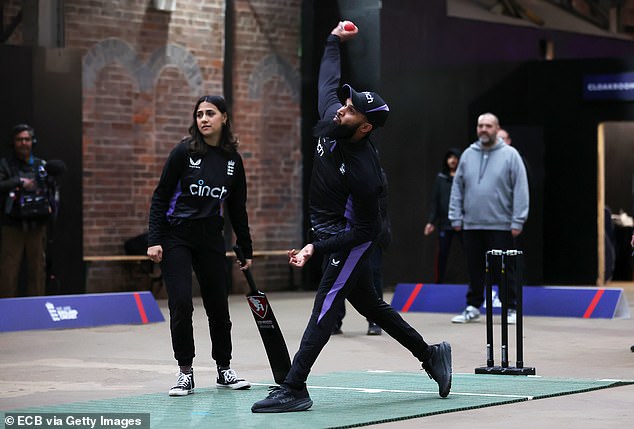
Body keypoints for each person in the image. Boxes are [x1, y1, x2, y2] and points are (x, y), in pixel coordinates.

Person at [250, 22, 452, 413]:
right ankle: (431, 355)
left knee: (325, 306)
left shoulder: (364, 172)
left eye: (352, 108)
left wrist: (315, 246)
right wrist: (332, 41)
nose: (343, 108)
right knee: (371, 306)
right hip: (329, 231)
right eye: (346, 103)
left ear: (366, 126)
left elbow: (367, 230)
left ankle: (295, 387)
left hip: (351, 237)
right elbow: (329, 79)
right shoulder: (332, 118)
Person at [147, 95, 253, 396]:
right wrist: (154, 239)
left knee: (218, 306)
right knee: (181, 304)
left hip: (210, 237)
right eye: (199, 114)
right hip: (176, 235)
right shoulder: (183, 151)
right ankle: (185, 372)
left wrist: (245, 248)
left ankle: (224, 369)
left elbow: (237, 208)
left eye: (210, 113)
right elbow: (160, 196)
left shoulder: (232, 160)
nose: (203, 119)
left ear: (224, 118)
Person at [448, 113, 529, 324]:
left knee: (505, 269)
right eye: (480, 125)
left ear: (496, 128)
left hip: (501, 225)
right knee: (474, 268)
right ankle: (473, 306)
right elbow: (458, 187)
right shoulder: (467, 154)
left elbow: (521, 189)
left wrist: (517, 220)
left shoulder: (511, 155)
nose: (483, 129)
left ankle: (511, 307)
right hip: (472, 224)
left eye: (488, 126)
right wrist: (455, 216)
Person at [0, 124, 62, 297]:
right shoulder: (5, 165)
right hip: (12, 225)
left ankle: (36, 311)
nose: (23, 143)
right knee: (8, 271)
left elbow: (52, 190)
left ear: (32, 142)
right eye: (19, 139)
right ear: (13, 143)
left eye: (27, 139)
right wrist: (19, 182)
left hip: (37, 225)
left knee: (37, 271)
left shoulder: (41, 165)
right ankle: (7, 312)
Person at [424, 148, 462, 283]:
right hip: (445, 224)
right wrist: (431, 222)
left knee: (469, 253)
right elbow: (435, 201)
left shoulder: (463, 177)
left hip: (463, 223)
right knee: (442, 254)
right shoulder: (441, 178)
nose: (452, 160)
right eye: (449, 157)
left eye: (455, 157)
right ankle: (439, 283)